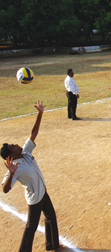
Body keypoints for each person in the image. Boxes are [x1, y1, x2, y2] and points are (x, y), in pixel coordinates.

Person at [1, 101, 64, 252]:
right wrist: (11, 173)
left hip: (42, 191)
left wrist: (40, 113)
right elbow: (5, 189)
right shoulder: (15, 168)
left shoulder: (25, 152)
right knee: (31, 227)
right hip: (35, 199)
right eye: (13, 146)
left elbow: (33, 133)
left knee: (51, 217)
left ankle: (52, 245)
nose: (16, 144)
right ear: (11, 155)